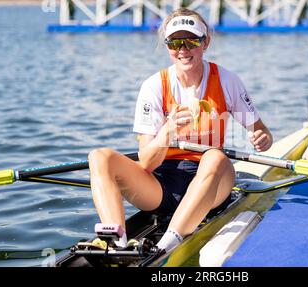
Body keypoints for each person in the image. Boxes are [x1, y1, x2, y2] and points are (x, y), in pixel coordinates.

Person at [88, 8, 273, 252]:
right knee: (99, 157)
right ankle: (117, 240)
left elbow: (263, 132)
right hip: (161, 185)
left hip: (212, 184)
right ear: (167, 46)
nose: (183, 50)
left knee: (216, 156)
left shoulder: (227, 80)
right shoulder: (154, 86)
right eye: (175, 42)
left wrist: (263, 139)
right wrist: (166, 134)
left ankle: (166, 246)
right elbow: (146, 163)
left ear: (205, 43)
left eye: (191, 41)